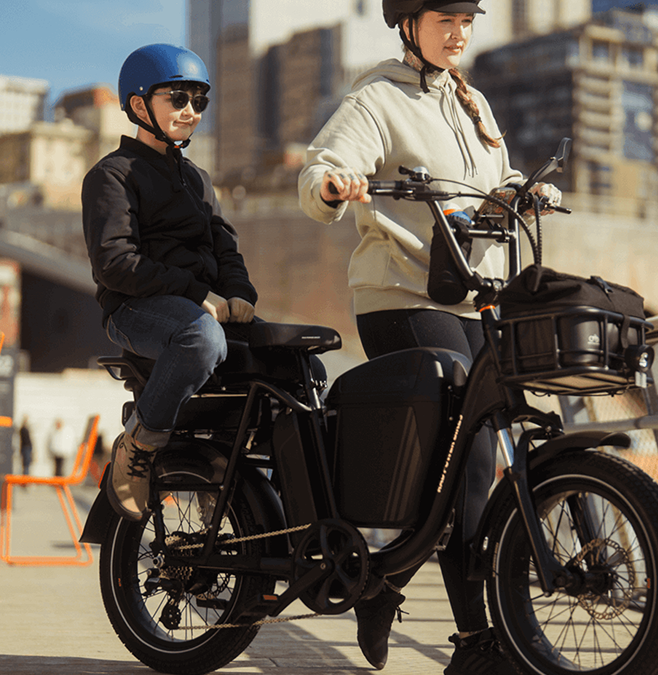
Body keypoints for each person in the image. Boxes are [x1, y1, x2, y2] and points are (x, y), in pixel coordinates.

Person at [298, 2, 559, 674]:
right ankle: (475, 641)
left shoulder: (473, 104)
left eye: (466, 20)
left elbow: (489, 183)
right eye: (445, 19)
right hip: (402, 294)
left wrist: (523, 192)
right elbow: (321, 166)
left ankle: (383, 580)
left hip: (473, 294)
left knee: (464, 463)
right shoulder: (378, 97)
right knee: (469, 458)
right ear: (408, 24)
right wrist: (334, 185)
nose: (459, 32)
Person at [82, 43, 258, 521]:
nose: (190, 111)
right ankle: (139, 443)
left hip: (200, 308)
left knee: (297, 355)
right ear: (139, 105)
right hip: (137, 308)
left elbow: (226, 248)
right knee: (200, 337)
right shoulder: (111, 175)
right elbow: (115, 264)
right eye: (177, 98)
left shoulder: (200, 180)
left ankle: (240, 482)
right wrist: (196, 293)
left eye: (199, 101)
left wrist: (240, 293)